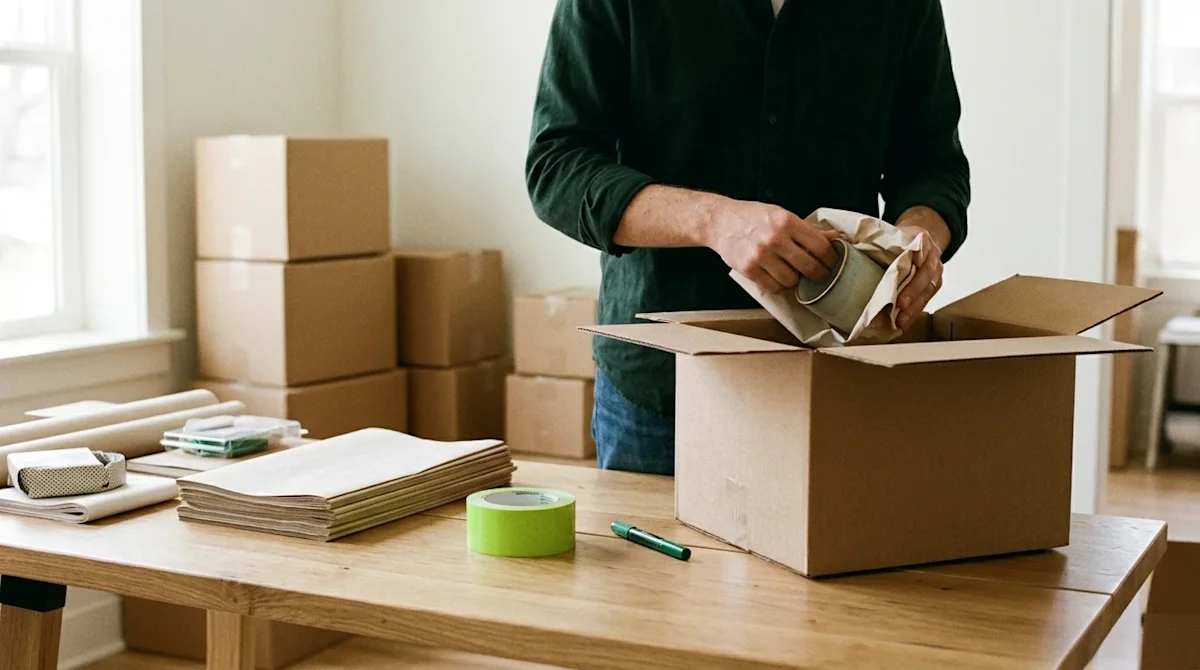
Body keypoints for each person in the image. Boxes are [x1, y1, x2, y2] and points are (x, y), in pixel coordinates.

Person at [525, 0, 970, 476]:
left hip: (837, 381)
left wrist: (920, 235)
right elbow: (557, 168)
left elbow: (932, 166)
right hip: (663, 392)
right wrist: (713, 220)